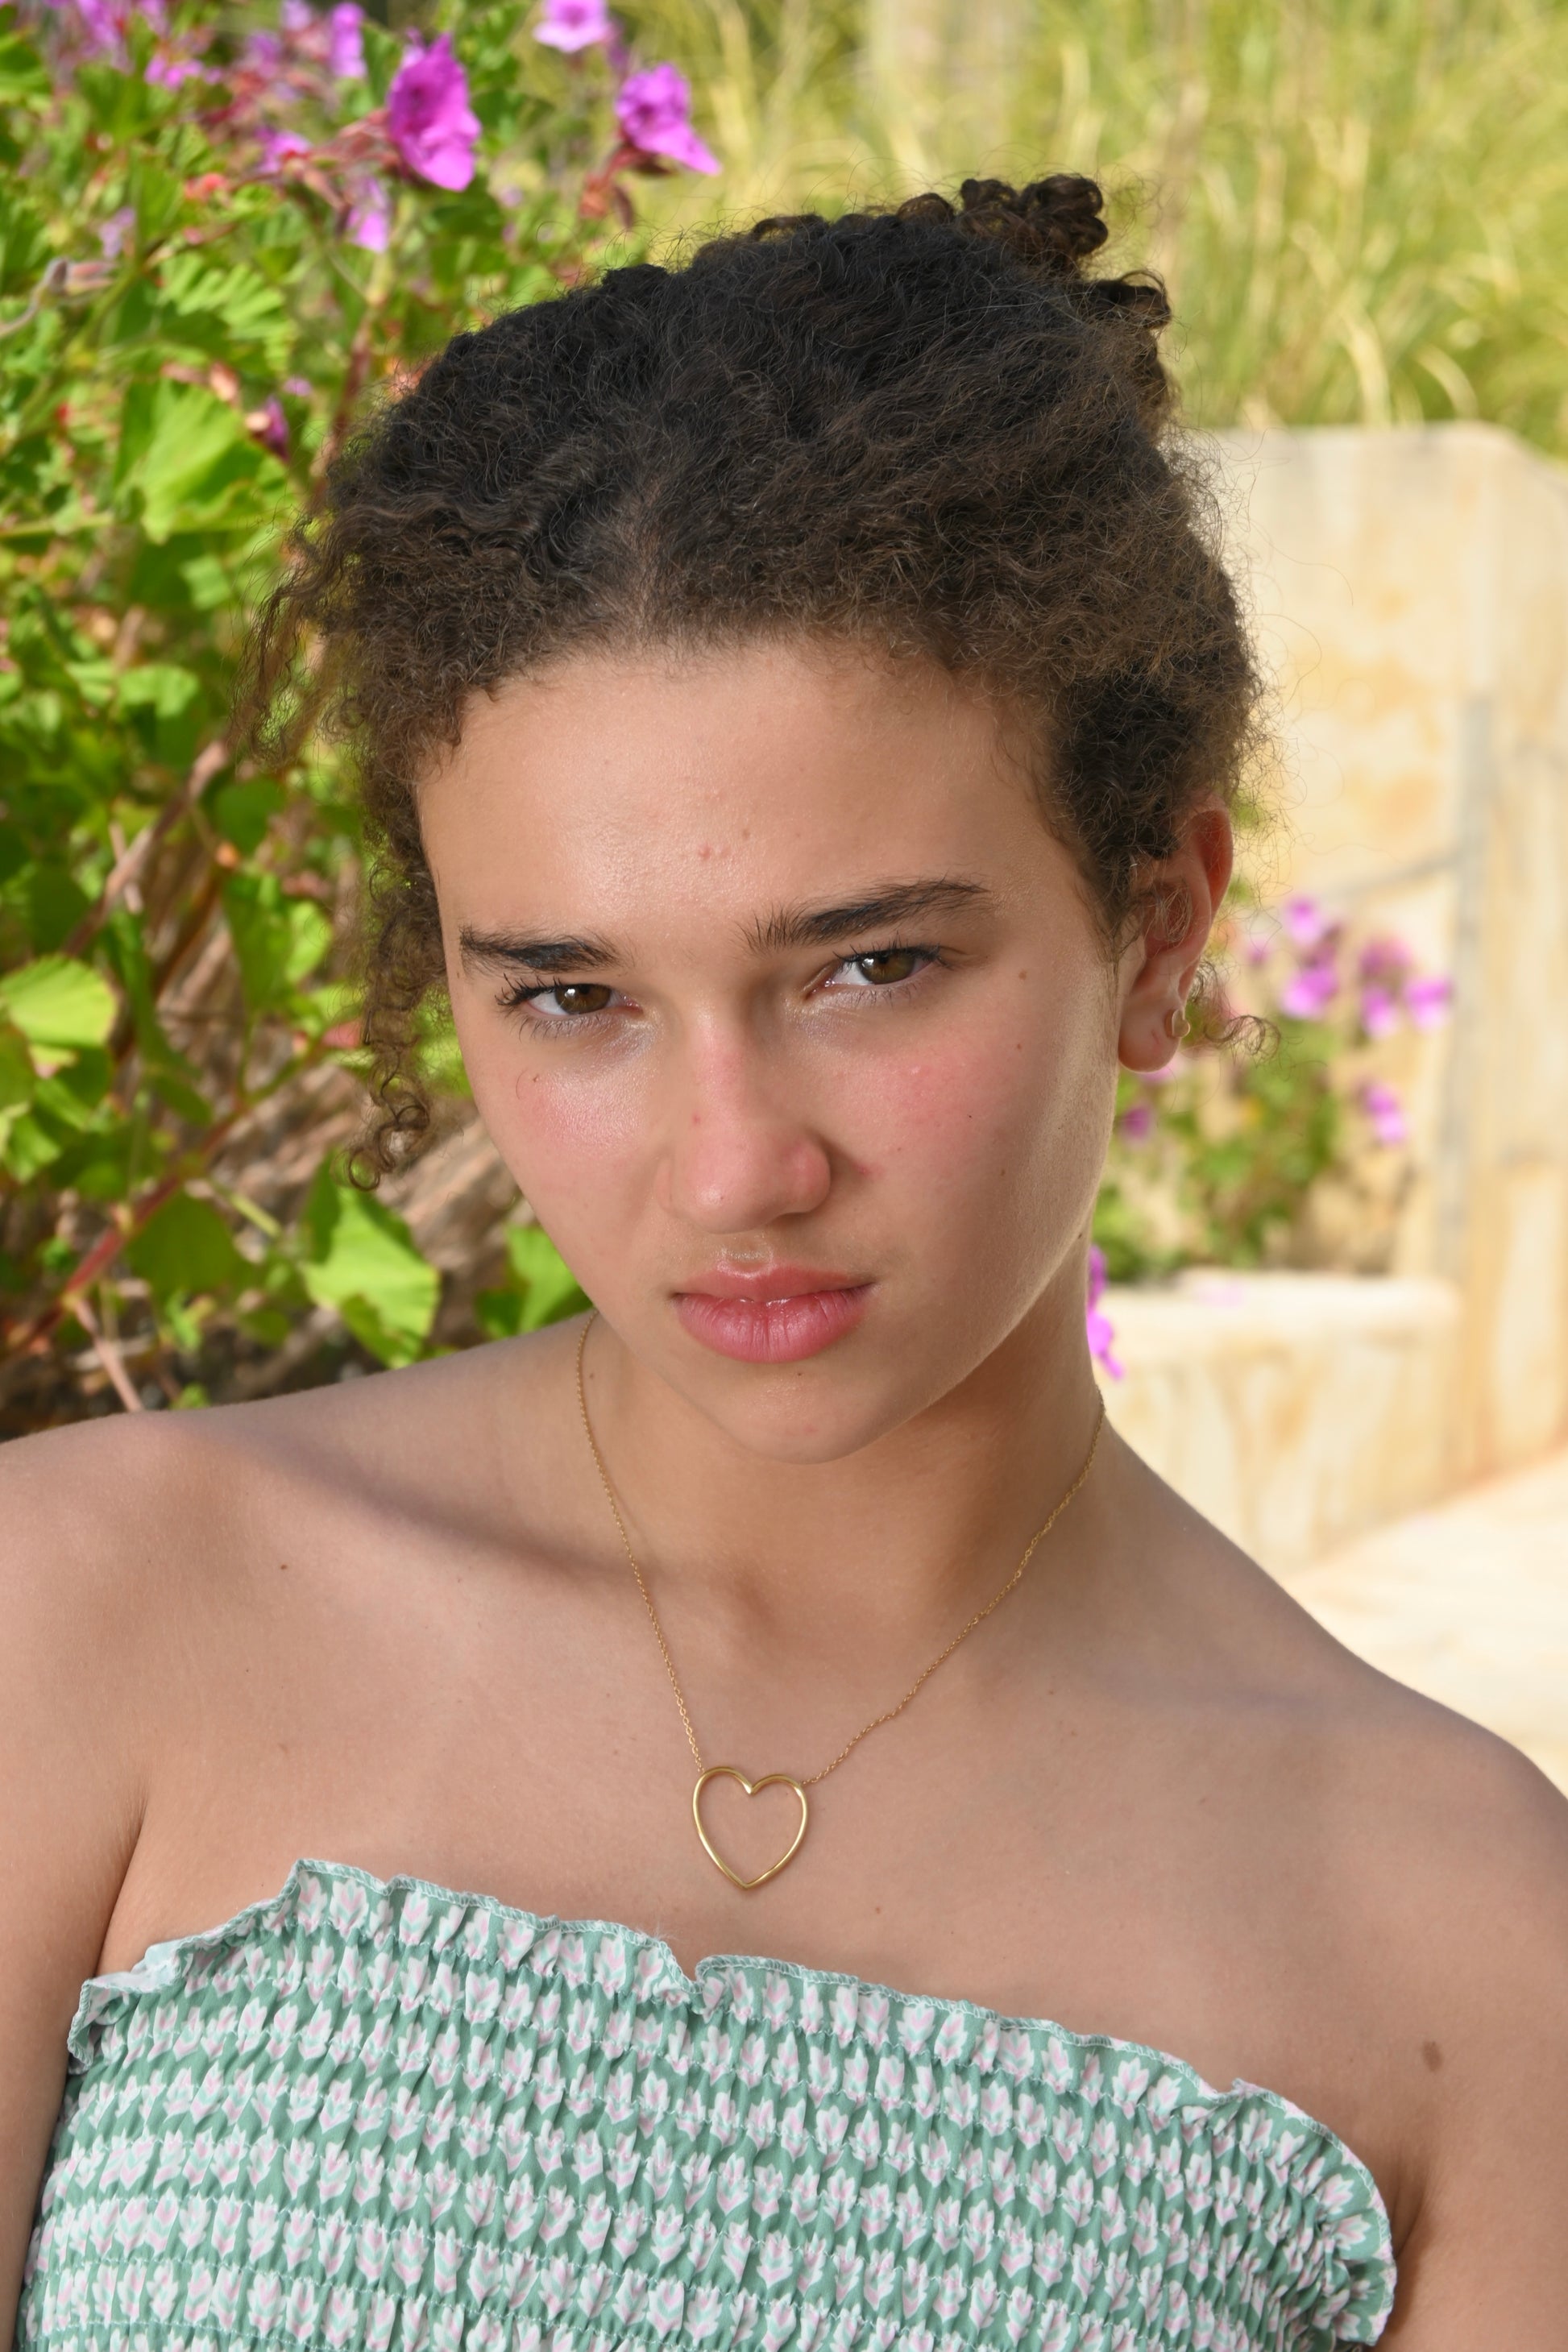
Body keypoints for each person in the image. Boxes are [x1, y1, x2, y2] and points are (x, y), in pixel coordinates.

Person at [2, 174, 1564, 2352]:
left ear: (1158, 930)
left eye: (867, 967)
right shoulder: (84, 1617)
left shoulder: (1466, 1944)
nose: (736, 1168)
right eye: (574, 998)